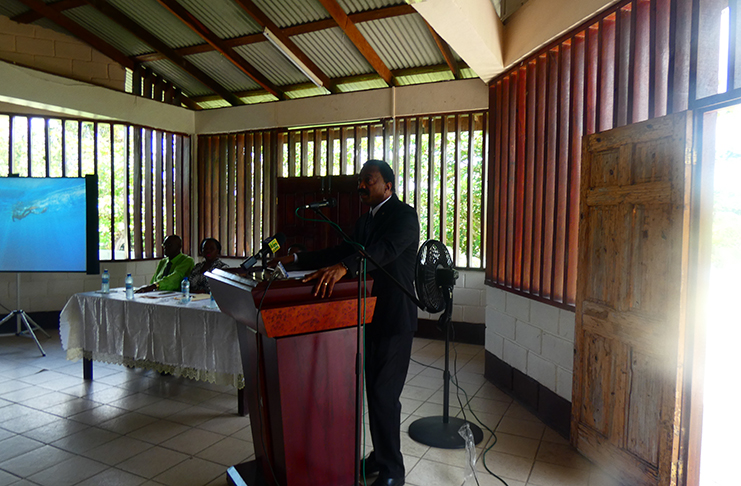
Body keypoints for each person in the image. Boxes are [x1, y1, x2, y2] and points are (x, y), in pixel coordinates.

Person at [274, 159, 419, 486]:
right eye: (360, 181)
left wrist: (345, 267)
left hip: (395, 319)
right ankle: (380, 456)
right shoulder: (364, 221)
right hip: (365, 316)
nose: (362, 186)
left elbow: (385, 251)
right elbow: (340, 250)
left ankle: (393, 470)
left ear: (388, 186)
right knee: (373, 391)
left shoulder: (404, 216)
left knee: (384, 395)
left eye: (369, 180)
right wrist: (296, 259)